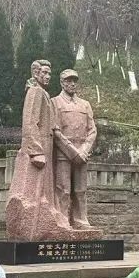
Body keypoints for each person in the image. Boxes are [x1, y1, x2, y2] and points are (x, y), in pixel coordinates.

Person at [5, 59, 74, 240]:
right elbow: (29, 122)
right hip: (39, 147)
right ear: (35, 74)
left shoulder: (42, 93)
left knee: (44, 191)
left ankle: (45, 221)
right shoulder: (35, 92)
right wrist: (36, 150)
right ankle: (34, 227)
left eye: (49, 74)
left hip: (47, 144)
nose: (48, 76)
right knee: (35, 191)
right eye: (44, 73)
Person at [51, 68, 98, 229]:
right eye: (68, 80)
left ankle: (80, 220)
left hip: (82, 154)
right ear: (62, 83)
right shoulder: (55, 102)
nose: (72, 84)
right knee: (63, 189)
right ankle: (62, 219)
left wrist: (84, 150)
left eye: (74, 81)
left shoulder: (85, 105)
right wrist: (72, 151)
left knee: (80, 190)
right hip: (64, 153)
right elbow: (55, 131)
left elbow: (92, 130)